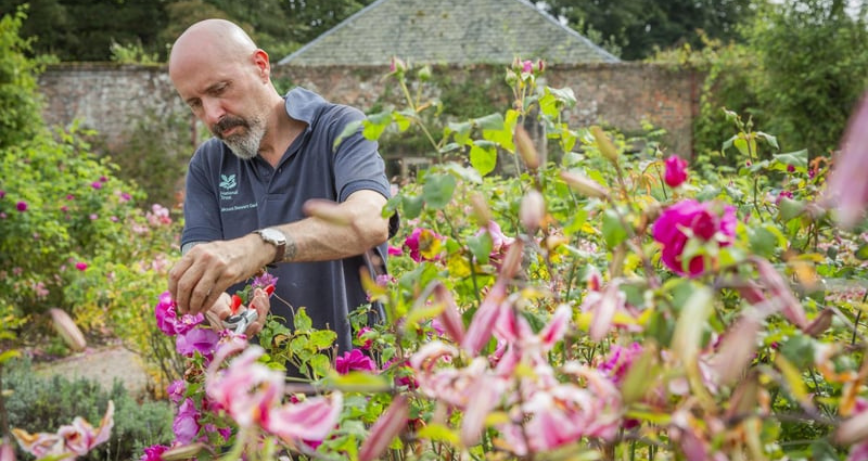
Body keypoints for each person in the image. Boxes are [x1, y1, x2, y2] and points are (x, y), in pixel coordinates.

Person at [166, 18, 395, 354]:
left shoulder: (340, 129)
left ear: (261, 66)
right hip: (262, 390)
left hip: (358, 384)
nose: (213, 115)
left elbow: (373, 219)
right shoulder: (209, 164)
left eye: (219, 90)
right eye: (195, 103)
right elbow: (197, 254)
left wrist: (262, 245)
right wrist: (217, 302)